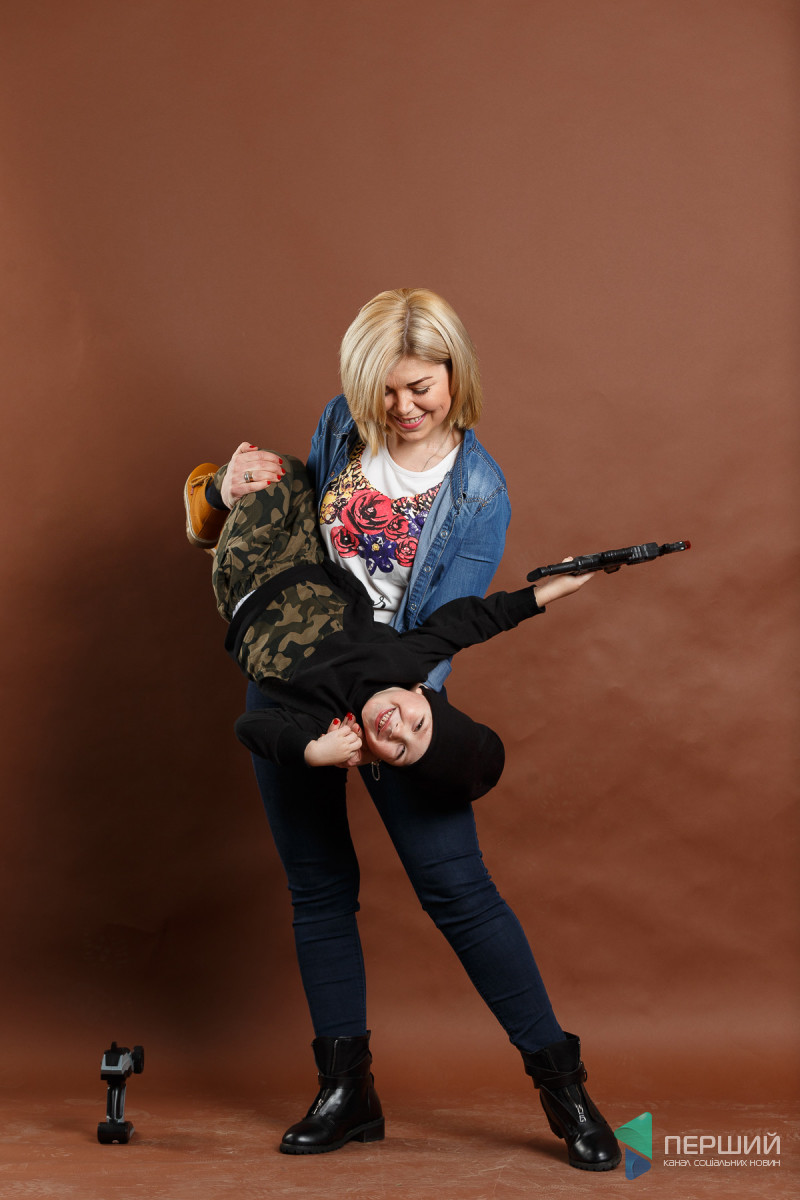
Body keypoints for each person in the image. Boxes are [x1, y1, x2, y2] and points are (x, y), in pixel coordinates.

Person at [184, 288, 621, 1171]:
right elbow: (281, 542)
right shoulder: (340, 427)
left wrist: (394, 712)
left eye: (421, 386)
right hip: (292, 681)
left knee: (458, 891)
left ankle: (563, 1085)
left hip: (395, 689)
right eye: (383, 390)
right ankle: (347, 1092)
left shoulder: (478, 491)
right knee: (318, 887)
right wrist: (223, 493)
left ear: (456, 375)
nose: (402, 407)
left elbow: (444, 626)